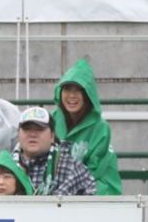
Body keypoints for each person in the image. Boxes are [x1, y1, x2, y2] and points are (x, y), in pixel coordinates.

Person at [52, 59, 122, 195]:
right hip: (59, 191)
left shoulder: (100, 127)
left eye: (78, 90)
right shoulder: (51, 120)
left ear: (88, 94)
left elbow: (93, 169)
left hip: (95, 189)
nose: (72, 95)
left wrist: (63, 190)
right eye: (67, 89)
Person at [13, 107, 96, 195]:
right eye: (27, 129)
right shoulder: (6, 166)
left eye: (39, 129)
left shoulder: (74, 168)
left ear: (52, 136)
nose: (32, 134)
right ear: (18, 135)